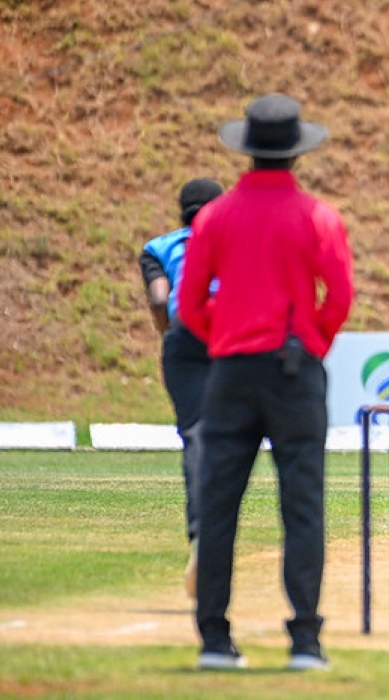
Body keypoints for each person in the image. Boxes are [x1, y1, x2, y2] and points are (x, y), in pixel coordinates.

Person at [179, 94, 355, 671]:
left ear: (249, 150)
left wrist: (223, 341)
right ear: (296, 154)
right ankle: (305, 640)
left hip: (231, 371)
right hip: (293, 368)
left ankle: (214, 639)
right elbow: (340, 295)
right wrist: (313, 342)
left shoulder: (215, 216)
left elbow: (190, 301)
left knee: (219, 504)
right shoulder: (317, 216)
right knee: (302, 507)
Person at [139, 177, 224, 599]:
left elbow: (158, 301)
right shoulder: (234, 241)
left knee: (196, 437)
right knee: (233, 440)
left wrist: (170, 337)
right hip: (230, 334)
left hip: (184, 338)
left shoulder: (160, 247)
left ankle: (200, 538)